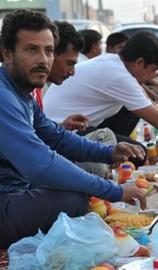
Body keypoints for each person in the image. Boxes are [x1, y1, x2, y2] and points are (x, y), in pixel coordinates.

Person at [0, 10, 146, 248]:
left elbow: (58, 138)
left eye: (48, 51)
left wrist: (108, 153)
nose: (43, 60)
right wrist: (114, 191)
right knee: (73, 199)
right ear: (7, 54)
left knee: (77, 184)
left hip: (17, 189)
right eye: (31, 50)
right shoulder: (3, 95)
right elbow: (41, 165)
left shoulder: (23, 94)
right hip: (6, 197)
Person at [44, 31, 158, 168]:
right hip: (60, 134)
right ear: (139, 62)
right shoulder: (118, 75)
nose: (153, 76)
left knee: (133, 111)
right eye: (153, 70)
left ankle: (109, 157)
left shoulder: (113, 63)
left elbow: (148, 105)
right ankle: (106, 162)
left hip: (70, 126)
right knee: (139, 153)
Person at [29, 21, 88, 131]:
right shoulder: (21, 90)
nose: (72, 72)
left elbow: (38, 134)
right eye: (69, 63)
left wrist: (62, 127)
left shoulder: (37, 88)